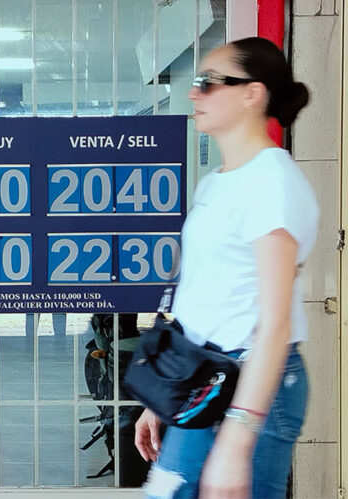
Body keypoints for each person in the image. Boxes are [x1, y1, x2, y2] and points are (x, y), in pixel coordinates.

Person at [134, 37, 319, 499]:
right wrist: (164, 397)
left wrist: (238, 438)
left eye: (207, 83)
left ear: (251, 94)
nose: (194, 94)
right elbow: (205, 295)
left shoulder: (272, 181)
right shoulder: (219, 182)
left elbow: (275, 325)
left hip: (252, 385)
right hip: (204, 378)